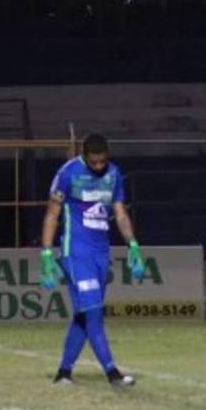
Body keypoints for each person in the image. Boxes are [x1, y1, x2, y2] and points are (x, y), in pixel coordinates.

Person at [39, 133, 145, 387]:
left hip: (100, 253)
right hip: (76, 252)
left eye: (102, 162)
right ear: (85, 156)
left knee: (84, 315)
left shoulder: (114, 174)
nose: (98, 167)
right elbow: (52, 214)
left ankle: (64, 373)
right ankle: (113, 374)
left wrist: (133, 245)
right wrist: (46, 253)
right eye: (94, 162)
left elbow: (119, 213)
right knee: (94, 313)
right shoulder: (68, 173)